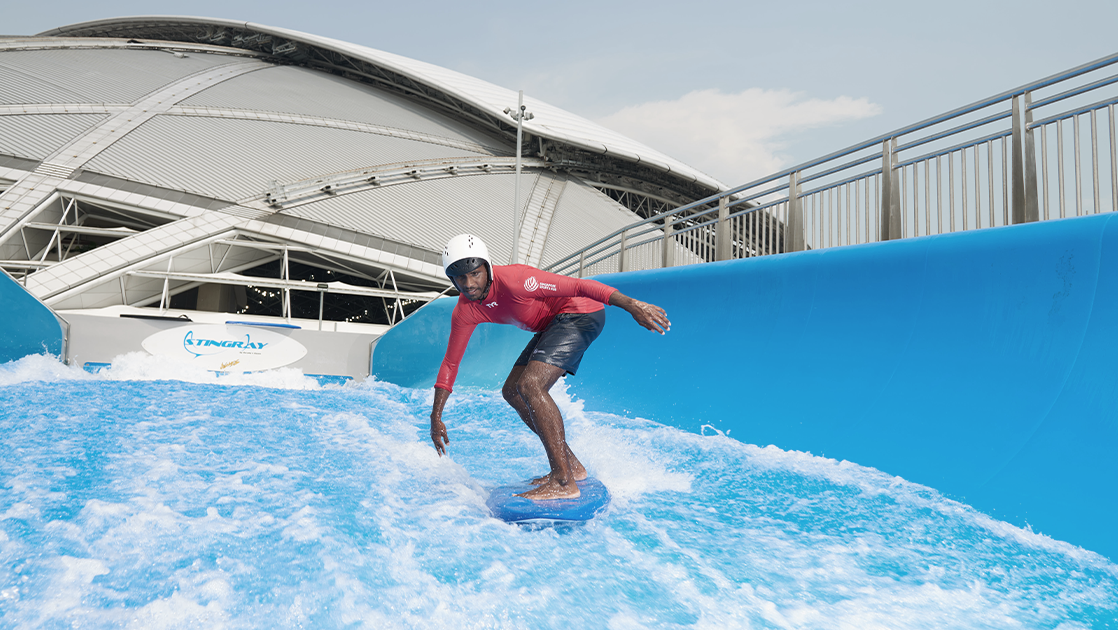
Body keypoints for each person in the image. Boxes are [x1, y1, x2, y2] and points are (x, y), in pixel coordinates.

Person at [428, 233, 671, 500]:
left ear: (487, 267)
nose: (470, 283)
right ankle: (573, 467)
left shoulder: (518, 280)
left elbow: (580, 286)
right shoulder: (465, 310)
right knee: (512, 391)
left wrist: (632, 305)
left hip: (580, 313)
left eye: (475, 273)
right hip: (552, 325)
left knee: (530, 385)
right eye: (460, 278)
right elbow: (451, 362)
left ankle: (563, 481)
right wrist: (436, 416)